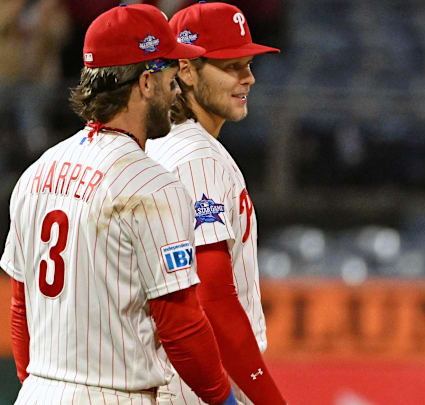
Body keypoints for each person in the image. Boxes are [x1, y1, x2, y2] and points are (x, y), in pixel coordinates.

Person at [0, 4, 240, 404]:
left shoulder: (36, 173)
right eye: (169, 76)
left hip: (38, 391)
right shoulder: (153, 186)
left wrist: (39, 387)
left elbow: (21, 309)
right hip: (113, 394)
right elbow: (180, 326)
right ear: (145, 82)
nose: (177, 88)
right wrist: (224, 400)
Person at [145, 2, 287, 405]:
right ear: (186, 71)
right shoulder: (197, 158)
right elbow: (215, 301)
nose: (249, 78)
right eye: (231, 67)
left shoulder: (158, 144)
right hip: (197, 384)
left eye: (248, 64)